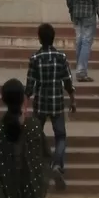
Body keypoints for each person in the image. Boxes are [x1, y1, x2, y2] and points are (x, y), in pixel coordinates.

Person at [24, 21, 76, 189]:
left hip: (40, 103)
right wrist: (73, 101)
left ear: (40, 39)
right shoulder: (61, 57)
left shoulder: (35, 58)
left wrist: (25, 109)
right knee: (60, 136)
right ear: (53, 38)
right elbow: (68, 82)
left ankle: (36, 170)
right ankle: (57, 165)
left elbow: (29, 86)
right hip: (57, 103)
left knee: (36, 137)